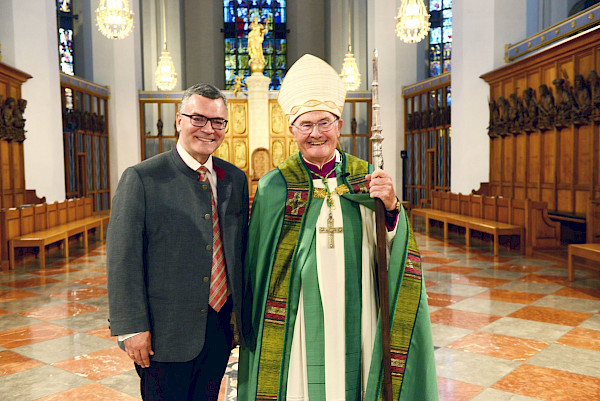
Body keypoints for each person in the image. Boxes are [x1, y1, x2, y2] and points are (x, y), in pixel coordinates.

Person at [238, 54, 438, 400]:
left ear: (339, 125)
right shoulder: (275, 186)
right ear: (292, 130)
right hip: (296, 316)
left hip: (358, 304)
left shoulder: (367, 178)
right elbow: (258, 265)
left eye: (324, 122)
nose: (316, 133)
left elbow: (395, 244)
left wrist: (391, 207)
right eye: (306, 125)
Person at [107, 83, 252, 401]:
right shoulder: (143, 178)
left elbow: (239, 251)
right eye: (198, 118)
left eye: (218, 122)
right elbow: (123, 258)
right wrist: (132, 328)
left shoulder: (234, 179)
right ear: (179, 120)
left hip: (218, 329)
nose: (208, 130)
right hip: (164, 334)